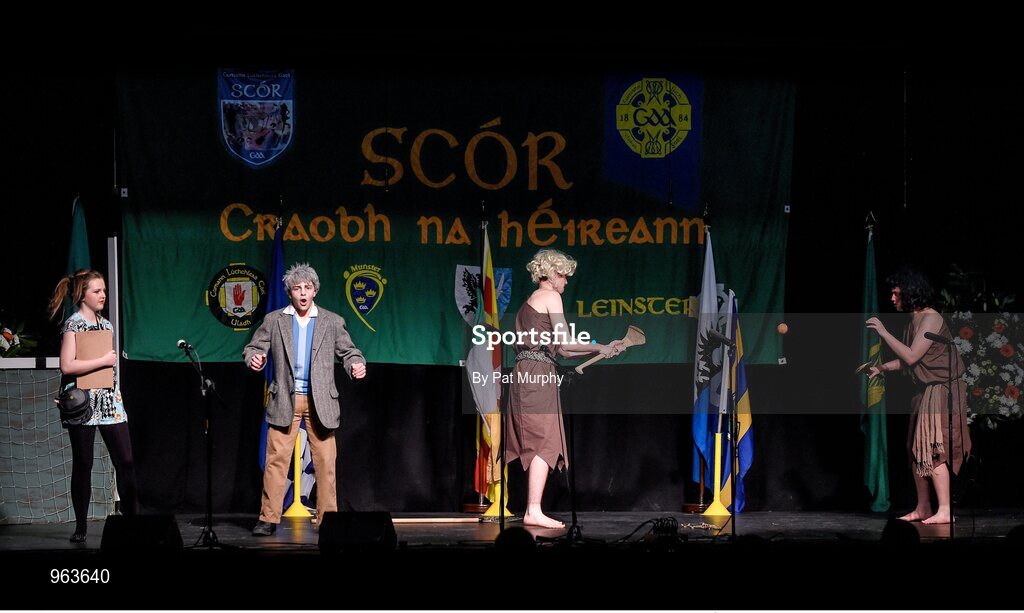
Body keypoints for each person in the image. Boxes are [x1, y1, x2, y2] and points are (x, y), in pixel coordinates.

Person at [506, 249, 625, 529]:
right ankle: (532, 510)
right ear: (551, 273)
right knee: (543, 440)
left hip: (531, 372)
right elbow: (567, 343)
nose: (566, 282)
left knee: (543, 439)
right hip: (536, 373)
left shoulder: (529, 302)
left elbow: (561, 350)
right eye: (563, 276)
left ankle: (533, 508)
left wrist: (600, 348)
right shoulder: (550, 296)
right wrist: (601, 346)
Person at [244, 263, 366, 536]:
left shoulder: (331, 321)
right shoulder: (275, 320)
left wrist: (356, 364)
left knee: (325, 463)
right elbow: (254, 347)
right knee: (276, 462)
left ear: (315, 291)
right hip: (285, 400)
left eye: (307, 288)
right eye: (297, 288)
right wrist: (254, 357)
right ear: (289, 292)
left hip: (319, 402)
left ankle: (329, 521)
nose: (302, 293)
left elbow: (350, 352)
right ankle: (268, 518)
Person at [865, 267, 972, 525]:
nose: (892, 299)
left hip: (941, 390)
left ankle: (945, 510)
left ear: (911, 292)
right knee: (916, 450)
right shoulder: (913, 320)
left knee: (934, 450)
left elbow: (912, 356)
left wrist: (884, 333)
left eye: (896, 294)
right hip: (923, 392)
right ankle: (923, 507)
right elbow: (908, 361)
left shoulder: (930, 318)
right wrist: (881, 368)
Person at [47, 269, 139, 543]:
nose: (102, 295)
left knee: (125, 461)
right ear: (82, 295)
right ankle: (81, 527)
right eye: (97, 291)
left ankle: (134, 524)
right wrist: (102, 361)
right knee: (83, 463)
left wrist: (111, 380)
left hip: (109, 400)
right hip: (83, 402)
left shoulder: (106, 325)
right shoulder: (73, 325)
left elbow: (107, 369)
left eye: (104, 291)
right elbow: (67, 365)